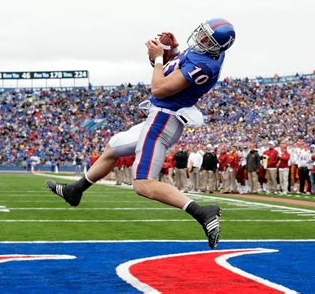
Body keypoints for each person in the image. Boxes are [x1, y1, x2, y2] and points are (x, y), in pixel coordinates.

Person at [45, 18, 236, 249]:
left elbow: (159, 87)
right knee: (113, 147)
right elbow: (175, 66)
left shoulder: (205, 65)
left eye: (207, 38)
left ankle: (203, 213)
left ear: (216, 46)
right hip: (160, 116)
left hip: (164, 119)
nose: (201, 38)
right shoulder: (206, 54)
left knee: (143, 184)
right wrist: (173, 51)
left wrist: (157, 57)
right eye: (202, 33)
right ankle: (75, 190)